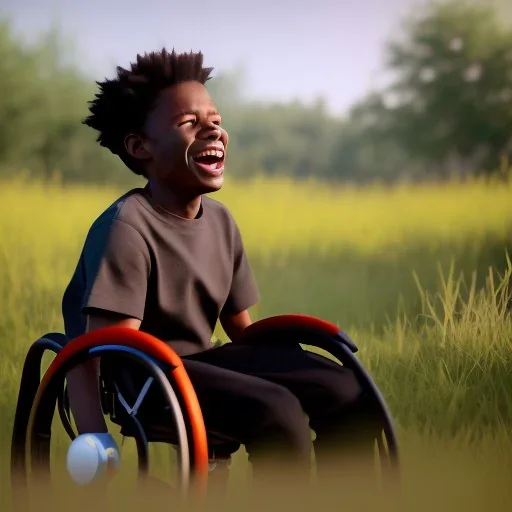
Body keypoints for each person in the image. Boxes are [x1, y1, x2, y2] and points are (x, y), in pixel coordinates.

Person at [62, 48, 378, 495]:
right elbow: (99, 348)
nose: (212, 127)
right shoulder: (126, 227)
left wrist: (287, 363)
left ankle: (348, 499)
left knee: (344, 387)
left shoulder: (221, 221)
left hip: (203, 363)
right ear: (140, 146)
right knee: (277, 408)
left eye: (214, 117)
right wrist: (94, 433)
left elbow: (242, 334)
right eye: (188, 122)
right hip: (148, 380)